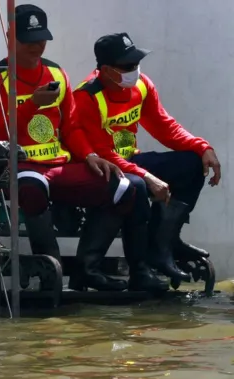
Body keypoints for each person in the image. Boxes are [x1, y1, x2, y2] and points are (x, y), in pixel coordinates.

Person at [0, 4, 165, 293]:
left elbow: (72, 127)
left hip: (59, 164)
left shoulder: (56, 72)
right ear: (9, 36)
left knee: (127, 187)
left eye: (41, 38)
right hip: (21, 167)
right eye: (28, 39)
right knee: (31, 186)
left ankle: (86, 271)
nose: (36, 45)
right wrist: (30, 106)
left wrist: (90, 155)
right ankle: (51, 271)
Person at [74, 32, 221, 283]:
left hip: (131, 161)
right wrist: (147, 176)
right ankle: (140, 268)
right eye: (128, 66)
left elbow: (165, 126)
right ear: (107, 70)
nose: (135, 70)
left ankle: (163, 245)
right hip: (102, 167)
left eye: (137, 63)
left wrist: (202, 147)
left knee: (192, 164)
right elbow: (103, 153)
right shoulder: (87, 96)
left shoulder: (141, 85)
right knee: (137, 185)